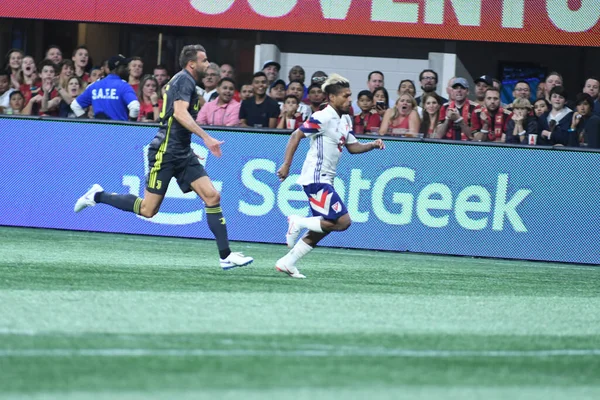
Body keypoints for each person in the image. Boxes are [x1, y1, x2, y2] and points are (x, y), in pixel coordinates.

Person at [73, 44, 253, 270]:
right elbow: (179, 114)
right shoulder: (184, 80)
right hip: (165, 153)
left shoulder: (186, 82)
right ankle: (97, 195)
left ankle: (225, 256)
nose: (208, 64)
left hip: (181, 151)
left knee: (212, 196)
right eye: (204, 60)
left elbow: (173, 120)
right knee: (148, 210)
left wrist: (187, 145)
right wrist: (206, 138)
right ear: (191, 63)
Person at [275, 74, 384, 278]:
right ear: (332, 98)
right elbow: (295, 135)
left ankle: (288, 262)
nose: (349, 99)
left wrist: (372, 144)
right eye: (345, 96)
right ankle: (297, 222)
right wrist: (287, 164)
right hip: (316, 180)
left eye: (350, 95)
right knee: (342, 222)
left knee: (322, 228)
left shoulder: (344, 120)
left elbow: (353, 147)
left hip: (326, 179)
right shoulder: (322, 117)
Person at [71, 55, 140, 121]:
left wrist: (87, 124)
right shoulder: (123, 86)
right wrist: (131, 125)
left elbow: (75, 105)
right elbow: (135, 107)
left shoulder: (94, 86)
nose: (128, 69)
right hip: (119, 131)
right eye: (125, 66)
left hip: (98, 131)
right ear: (117, 69)